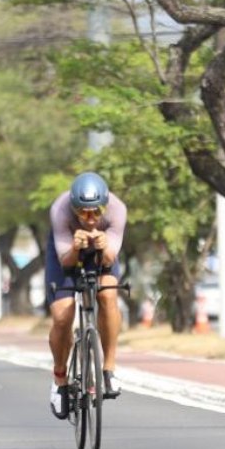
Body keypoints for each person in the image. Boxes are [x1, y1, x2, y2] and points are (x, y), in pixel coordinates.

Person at [45, 171, 127, 420]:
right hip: (67, 254)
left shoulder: (117, 210)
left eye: (96, 211)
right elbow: (66, 262)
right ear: (73, 207)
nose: (90, 219)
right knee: (62, 315)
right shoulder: (60, 210)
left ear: (105, 205)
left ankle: (108, 370)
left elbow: (110, 260)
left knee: (108, 296)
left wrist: (103, 247)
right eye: (83, 213)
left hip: (101, 253)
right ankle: (60, 379)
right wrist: (75, 247)